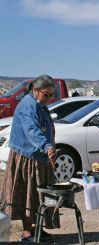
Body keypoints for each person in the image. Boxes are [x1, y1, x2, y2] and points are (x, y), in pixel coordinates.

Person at [0, 75, 58, 242]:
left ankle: (37, 228)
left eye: (51, 95)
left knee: (38, 196)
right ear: (35, 90)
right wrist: (46, 146)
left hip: (39, 157)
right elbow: (32, 130)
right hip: (27, 158)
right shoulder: (28, 105)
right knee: (28, 194)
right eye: (46, 95)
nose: (48, 99)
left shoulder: (39, 104)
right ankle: (27, 232)